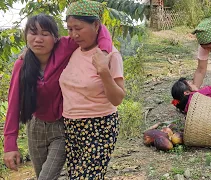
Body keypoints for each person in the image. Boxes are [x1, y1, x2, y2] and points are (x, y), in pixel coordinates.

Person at [3, 14, 112, 179]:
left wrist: (104, 52)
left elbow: (99, 29)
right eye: (33, 33)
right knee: (43, 175)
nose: (38, 39)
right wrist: (10, 145)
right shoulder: (22, 64)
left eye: (45, 34)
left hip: (61, 126)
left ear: (55, 37)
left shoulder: (64, 47)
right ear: (26, 36)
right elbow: (13, 103)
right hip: (35, 127)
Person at [59, 0, 125, 179]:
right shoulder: (73, 52)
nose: (74, 34)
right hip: (72, 126)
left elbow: (118, 98)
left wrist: (103, 71)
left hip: (99, 126)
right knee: (75, 175)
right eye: (70, 29)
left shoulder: (111, 55)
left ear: (96, 25)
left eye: (78, 28)